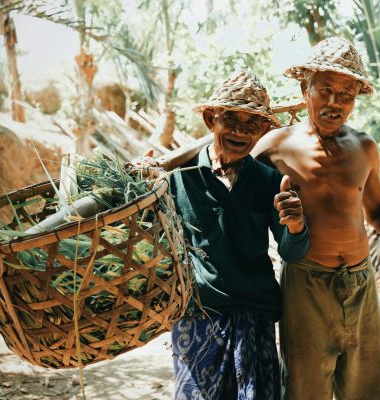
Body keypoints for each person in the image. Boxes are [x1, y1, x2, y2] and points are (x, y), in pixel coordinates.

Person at [251, 38, 380, 400]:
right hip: (305, 285)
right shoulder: (275, 147)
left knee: (368, 387)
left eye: (347, 94)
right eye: (325, 90)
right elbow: (227, 172)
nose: (335, 103)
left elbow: (377, 212)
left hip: (360, 282)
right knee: (305, 388)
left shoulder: (364, 147)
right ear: (304, 88)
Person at [133, 71, 309, 400]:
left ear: (265, 130)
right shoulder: (176, 180)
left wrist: (296, 227)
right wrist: (140, 186)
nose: (241, 131)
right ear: (212, 119)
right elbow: (146, 240)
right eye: (231, 119)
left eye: (252, 123)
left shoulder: (269, 181)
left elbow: (292, 252)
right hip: (198, 317)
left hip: (253, 318)